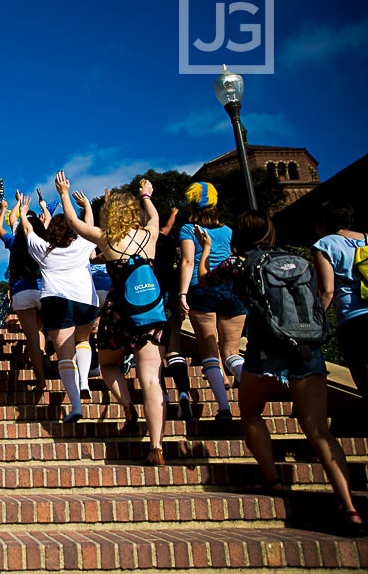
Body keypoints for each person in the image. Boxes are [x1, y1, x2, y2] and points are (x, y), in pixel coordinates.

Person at [195, 212, 363, 534]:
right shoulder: (296, 261)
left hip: (266, 351)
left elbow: (204, 280)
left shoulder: (238, 262)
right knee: (319, 431)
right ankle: (350, 506)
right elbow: (319, 296)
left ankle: (272, 479)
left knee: (251, 413)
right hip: (307, 350)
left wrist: (204, 248)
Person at [58, 172, 167, 466]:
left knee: (107, 365)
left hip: (120, 313)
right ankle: (156, 446)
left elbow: (74, 224)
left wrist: (65, 194)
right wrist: (146, 196)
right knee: (151, 379)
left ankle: (128, 407)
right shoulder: (150, 234)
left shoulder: (106, 239)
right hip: (151, 313)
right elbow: (154, 216)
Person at [18, 190, 100, 422]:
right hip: (86, 300)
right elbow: (89, 226)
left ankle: (75, 407)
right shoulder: (83, 244)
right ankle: (84, 382)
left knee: (65, 356)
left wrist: (24, 213)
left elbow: (28, 231)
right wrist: (86, 206)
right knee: (83, 341)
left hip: (56, 301)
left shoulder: (42, 249)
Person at [178, 182, 242, 421]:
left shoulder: (188, 229)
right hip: (230, 288)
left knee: (209, 352)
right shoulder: (228, 231)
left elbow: (187, 262)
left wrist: (182, 293)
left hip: (200, 288)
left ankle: (224, 407)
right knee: (231, 352)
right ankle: (250, 379)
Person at [313, 200, 367, 402]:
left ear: (323, 222)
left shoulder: (324, 245)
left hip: (354, 318)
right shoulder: (367, 239)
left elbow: (326, 291)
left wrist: (314, 320)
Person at [0, 195, 47, 387]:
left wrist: (5, 209)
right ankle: (45, 357)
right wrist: (44, 210)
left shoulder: (14, 241)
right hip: (45, 290)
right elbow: (47, 223)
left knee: (31, 337)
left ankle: (41, 381)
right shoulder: (45, 242)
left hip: (22, 291)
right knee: (41, 330)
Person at [155, 206, 193, 420]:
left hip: (151, 297)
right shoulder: (170, 243)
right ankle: (184, 393)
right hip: (171, 290)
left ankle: (164, 396)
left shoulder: (146, 243)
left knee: (155, 353)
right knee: (175, 349)